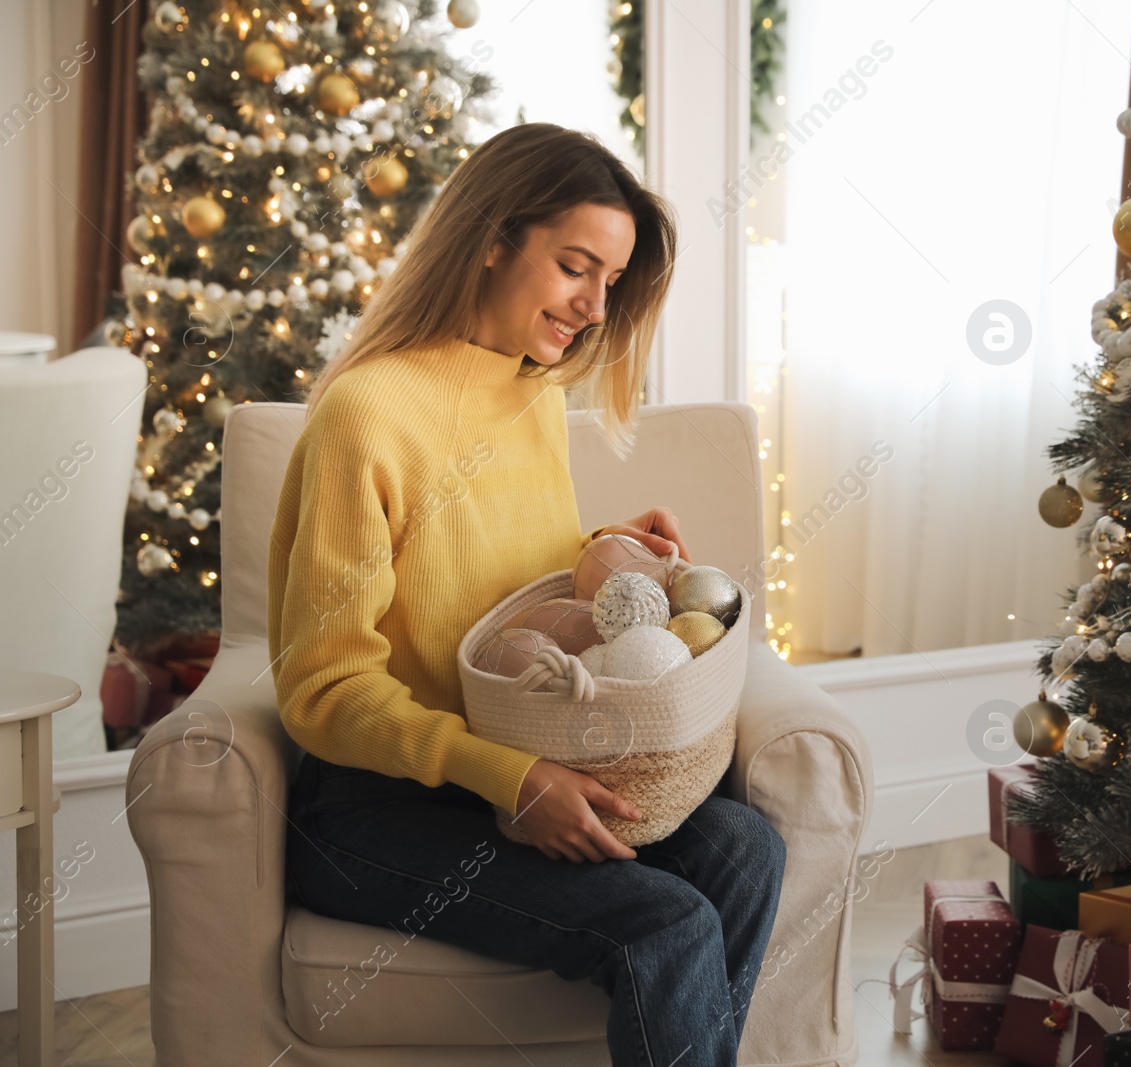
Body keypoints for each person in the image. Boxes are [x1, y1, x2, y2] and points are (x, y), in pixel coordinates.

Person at [267, 122, 785, 1065]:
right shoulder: (367, 415)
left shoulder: (532, 392)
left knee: (746, 850)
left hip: (508, 771)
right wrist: (513, 779)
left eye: (611, 283)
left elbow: (506, 578)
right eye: (575, 267)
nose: (593, 307)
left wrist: (606, 553)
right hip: (377, 810)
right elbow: (323, 687)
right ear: (493, 239)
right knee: (662, 923)